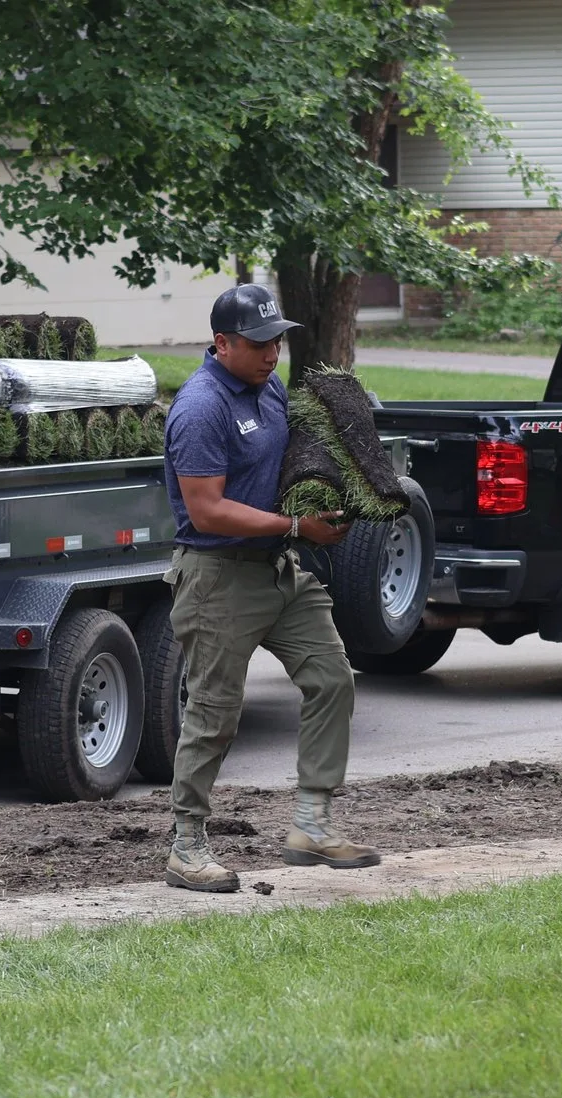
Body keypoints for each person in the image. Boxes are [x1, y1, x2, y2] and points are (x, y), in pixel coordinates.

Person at [159, 284, 380, 892]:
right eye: (259, 342)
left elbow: (288, 465)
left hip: (278, 569)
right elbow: (206, 511)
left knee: (332, 677)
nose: (272, 352)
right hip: (217, 577)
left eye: (278, 339)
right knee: (213, 714)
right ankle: (186, 846)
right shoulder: (200, 408)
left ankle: (311, 823)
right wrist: (295, 526)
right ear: (221, 343)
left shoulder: (270, 388)